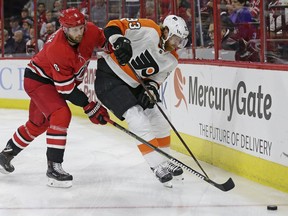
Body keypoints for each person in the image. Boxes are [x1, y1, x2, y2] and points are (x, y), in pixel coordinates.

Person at [0, 8, 109, 188]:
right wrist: (90, 106)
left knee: (38, 124)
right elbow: (66, 89)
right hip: (38, 81)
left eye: (81, 28)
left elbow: (105, 42)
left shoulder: (89, 30)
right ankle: (54, 167)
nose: (79, 33)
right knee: (61, 114)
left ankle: (6, 154)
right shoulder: (57, 49)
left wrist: (118, 47)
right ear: (64, 29)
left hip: (51, 82)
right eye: (74, 30)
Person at [94, 15, 189, 187]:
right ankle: (156, 165)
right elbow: (113, 26)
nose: (176, 44)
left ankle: (165, 159)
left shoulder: (172, 59)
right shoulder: (149, 29)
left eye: (180, 41)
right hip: (110, 78)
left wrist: (152, 88)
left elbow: (156, 79)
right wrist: (120, 41)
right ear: (166, 31)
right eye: (175, 38)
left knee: (160, 117)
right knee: (137, 117)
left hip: (136, 83)